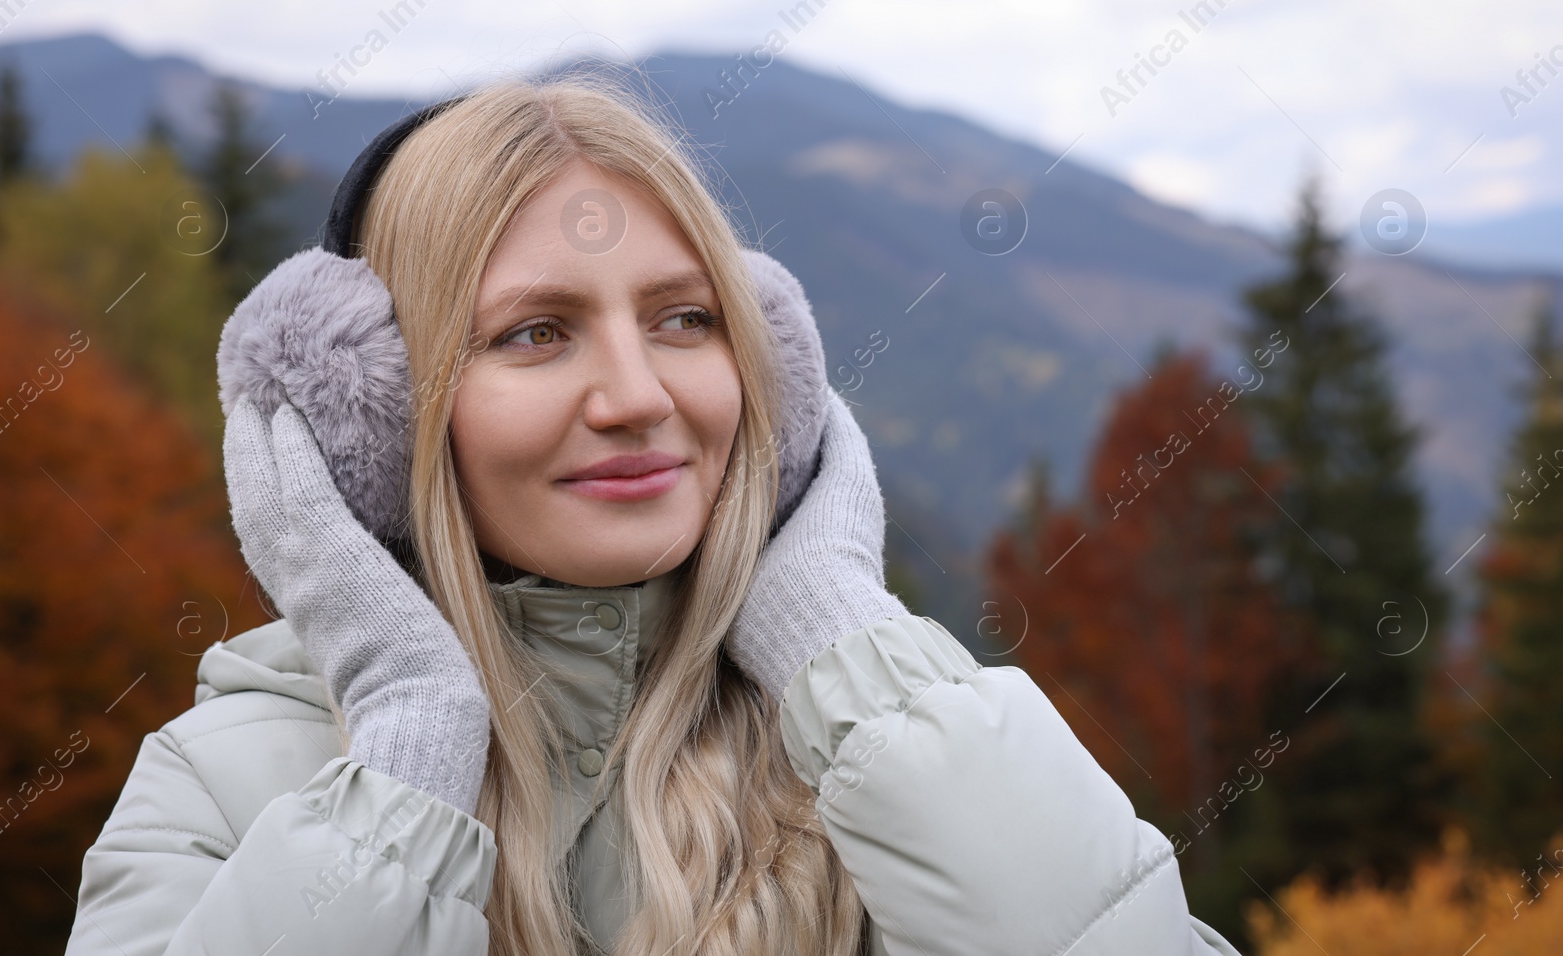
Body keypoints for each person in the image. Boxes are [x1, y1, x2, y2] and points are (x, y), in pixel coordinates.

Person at [63, 75, 1243, 956]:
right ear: (372, 418)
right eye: (536, 331)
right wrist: (410, 754)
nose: (637, 396)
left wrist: (839, 638)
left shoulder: (870, 769)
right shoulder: (220, 789)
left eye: (684, 319)